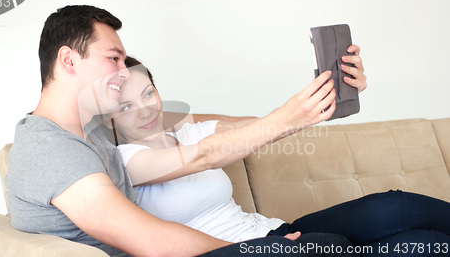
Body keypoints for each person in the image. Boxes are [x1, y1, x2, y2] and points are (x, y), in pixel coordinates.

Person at [5, 5, 361, 257]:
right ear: (68, 60)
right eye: (113, 58)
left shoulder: (90, 131)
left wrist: (324, 100)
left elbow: (179, 121)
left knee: (357, 240)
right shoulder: (51, 150)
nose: (125, 72)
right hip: (193, 251)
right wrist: (258, 248)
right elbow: (152, 243)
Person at [111, 56, 450, 256]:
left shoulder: (186, 133)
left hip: (275, 232)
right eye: (126, 106)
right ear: (106, 116)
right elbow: (205, 157)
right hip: (248, 250)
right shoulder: (122, 161)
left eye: (148, 93)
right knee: (344, 245)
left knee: (399, 207)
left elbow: (268, 126)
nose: (144, 110)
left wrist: (334, 93)